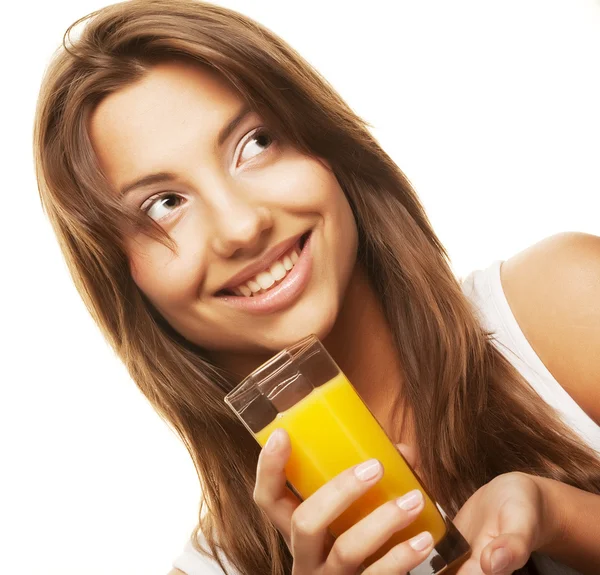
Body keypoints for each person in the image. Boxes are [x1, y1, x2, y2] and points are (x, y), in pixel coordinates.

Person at [33, 1, 600, 574]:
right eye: (165, 205)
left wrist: (562, 518)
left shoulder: (562, 305)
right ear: (124, 276)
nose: (241, 226)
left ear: (326, 142)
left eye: (255, 143)